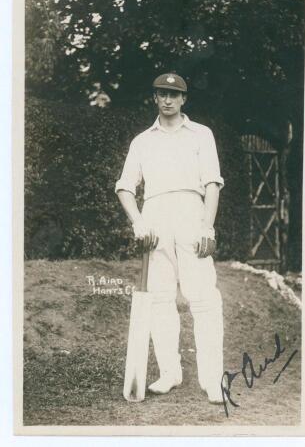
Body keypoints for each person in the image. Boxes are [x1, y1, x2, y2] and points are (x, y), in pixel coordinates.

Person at [115, 73, 225, 404]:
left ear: (184, 99)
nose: (168, 100)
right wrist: (137, 221)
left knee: (203, 297)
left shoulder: (201, 135)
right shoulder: (142, 141)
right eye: (162, 93)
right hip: (156, 215)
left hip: (191, 213)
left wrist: (208, 226)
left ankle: (211, 378)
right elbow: (124, 187)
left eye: (174, 95)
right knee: (161, 298)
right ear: (154, 97)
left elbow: (212, 184)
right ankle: (169, 373)